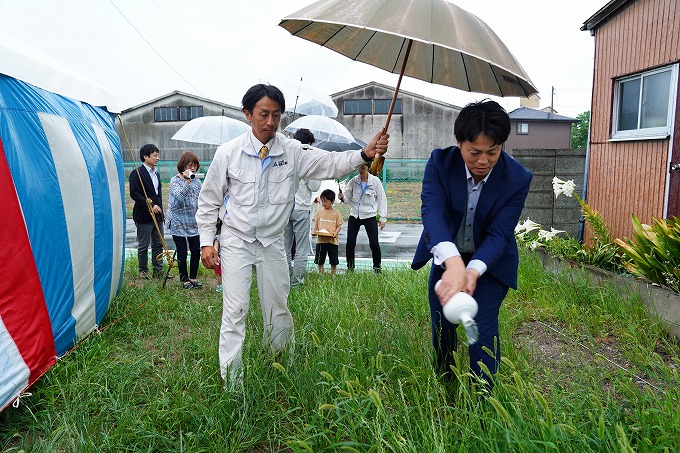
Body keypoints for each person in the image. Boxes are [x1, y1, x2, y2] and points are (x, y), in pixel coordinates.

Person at [195, 83, 389, 385]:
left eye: (276, 115)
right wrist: (207, 242)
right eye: (264, 114)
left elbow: (330, 162)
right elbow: (208, 200)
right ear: (248, 114)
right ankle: (232, 382)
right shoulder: (228, 153)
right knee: (235, 310)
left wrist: (365, 153)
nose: (271, 122)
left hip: (272, 241)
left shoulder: (292, 151)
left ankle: (279, 369)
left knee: (277, 307)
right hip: (236, 240)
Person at [411, 99, 532, 390]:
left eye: (493, 152)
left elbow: (500, 233)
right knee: (443, 326)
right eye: (474, 152)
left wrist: (473, 271)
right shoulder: (440, 163)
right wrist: (453, 264)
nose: (483, 161)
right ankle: (446, 386)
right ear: (458, 142)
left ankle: (483, 398)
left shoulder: (517, 178)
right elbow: (433, 214)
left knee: (483, 327)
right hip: (447, 259)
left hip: (489, 264)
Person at [284, 128, 322, 286]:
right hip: (301, 209)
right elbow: (314, 187)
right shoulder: (308, 161)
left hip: (285, 208)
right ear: (310, 144)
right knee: (301, 248)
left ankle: (284, 280)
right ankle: (297, 282)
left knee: (285, 247)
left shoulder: (287, 157)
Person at [338, 162, 387, 273]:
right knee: (350, 243)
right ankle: (350, 268)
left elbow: (382, 199)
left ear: (368, 168)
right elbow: (348, 199)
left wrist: (383, 218)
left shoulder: (375, 181)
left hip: (369, 215)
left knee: (374, 244)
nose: (361, 171)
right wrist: (342, 198)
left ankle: (377, 269)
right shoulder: (353, 181)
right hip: (355, 215)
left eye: (363, 168)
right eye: (359, 168)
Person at [166, 151, 203, 289]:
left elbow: (201, 199)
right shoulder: (175, 180)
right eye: (189, 165)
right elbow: (179, 197)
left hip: (193, 222)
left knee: (195, 250)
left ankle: (193, 278)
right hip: (178, 221)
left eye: (195, 165)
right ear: (183, 166)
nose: (193, 168)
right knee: (181, 251)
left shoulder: (197, 181)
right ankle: (184, 280)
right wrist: (187, 181)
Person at [129, 143, 165, 279]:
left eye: (158, 155)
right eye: (155, 155)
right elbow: (134, 194)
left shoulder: (157, 174)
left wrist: (162, 213)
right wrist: (149, 203)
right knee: (143, 245)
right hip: (144, 215)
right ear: (145, 157)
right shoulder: (136, 173)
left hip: (158, 215)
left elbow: (158, 195)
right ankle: (143, 271)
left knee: (158, 244)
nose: (158, 158)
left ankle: (158, 270)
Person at [312, 189, 343, 276]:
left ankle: (333, 275)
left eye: (325, 201)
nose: (323, 203)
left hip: (332, 241)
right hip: (321, 240)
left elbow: (339, 226)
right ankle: (321, 274)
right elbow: (316, 225)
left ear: (332, 201)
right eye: (322, 201)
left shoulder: (336, 213)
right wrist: (314, 231)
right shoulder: (319, 212)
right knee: (319, 260)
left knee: (333, 260)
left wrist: (335, 233)